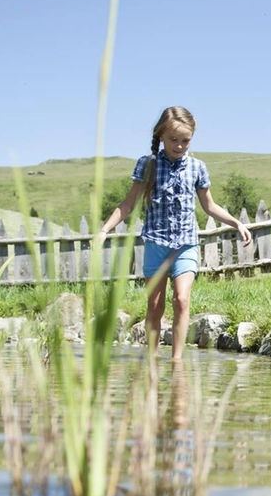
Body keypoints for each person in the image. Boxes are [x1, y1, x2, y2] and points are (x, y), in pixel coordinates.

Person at [100, 106, 252, 359]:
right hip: (156, 244)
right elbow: (128, 204)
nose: (179, 146)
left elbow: (209, 206)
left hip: (186, 245)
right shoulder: (147, 164)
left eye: (185, 141)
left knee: (181, 300)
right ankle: (152, 360)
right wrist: (104, 229)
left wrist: (237, 223)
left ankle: (177, 362)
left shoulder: (197, 167)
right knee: (155, 306)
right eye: (173, 140)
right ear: (160, 136)